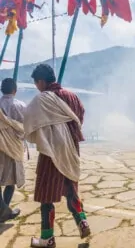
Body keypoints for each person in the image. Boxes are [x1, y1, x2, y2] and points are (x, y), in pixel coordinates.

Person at [23, 64, 90, 248]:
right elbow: (80, 117)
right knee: (70, 189)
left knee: (47, 195)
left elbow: (28, 119)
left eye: (36, 83)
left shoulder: (41, 99)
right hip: (71, 148)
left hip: (50, 151)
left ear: (42, 82)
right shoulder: (72, 96)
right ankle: (82, 221)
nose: (37, 86)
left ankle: (47, 239)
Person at [0, 78, 26, 223]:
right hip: (14, 148)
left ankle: (3, 210)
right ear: (14, 90)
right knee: (11, 182)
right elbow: (28, 126)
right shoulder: (21, 106)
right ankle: (4, 209)